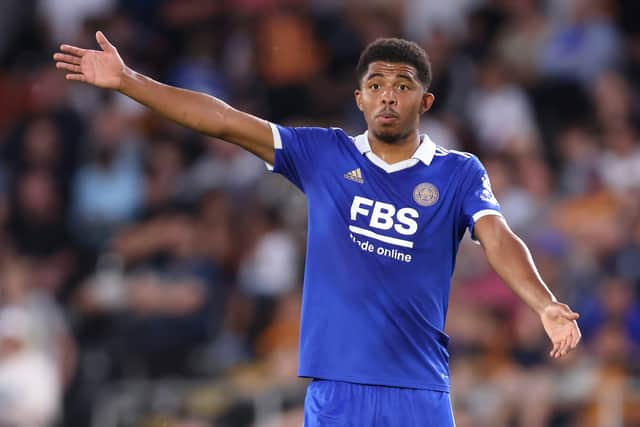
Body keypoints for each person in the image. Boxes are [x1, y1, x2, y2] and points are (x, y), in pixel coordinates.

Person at [54, 33, 581, 426]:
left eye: (403, 85)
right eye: (375, 85)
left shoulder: (458, 172)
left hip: (419, 388)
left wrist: (544, 303)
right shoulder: (323, 154)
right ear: (359, 99)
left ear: (425, 101)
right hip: (337, 389)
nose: (388, 96)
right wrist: (128, 81)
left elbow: (497, 236)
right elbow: (222, 120)